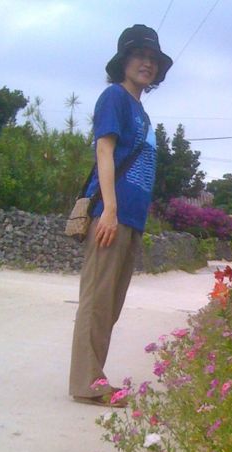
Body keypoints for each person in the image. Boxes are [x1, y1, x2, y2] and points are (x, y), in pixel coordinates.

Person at [69, 25, 172, 406]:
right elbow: (104, 151)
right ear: (123, 61)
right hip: (111, 215)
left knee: (109, 304)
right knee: (97, 300)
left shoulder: (140, 110)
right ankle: (87, 383)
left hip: (130, 218)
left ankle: (94, 376)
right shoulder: (114, 97)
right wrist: (109, 210)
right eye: (140, 55)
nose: (147, 63)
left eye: (153, 58)